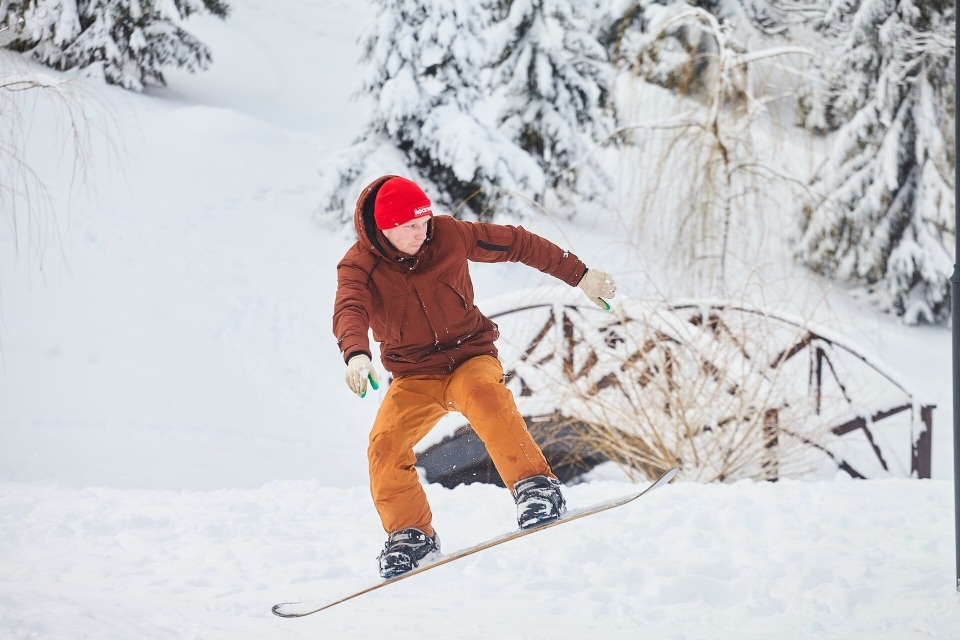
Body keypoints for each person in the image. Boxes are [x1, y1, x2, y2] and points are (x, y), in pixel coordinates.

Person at [333, 175, 617, 578]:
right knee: (385, 444)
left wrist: (580, 275)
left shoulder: (449, 235)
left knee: (486, 398)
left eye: (425, 221)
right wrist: (356, 354)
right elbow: (349, 309)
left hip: (470, 356)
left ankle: (536, 488)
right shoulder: (358, 266)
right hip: (414, 376)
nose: (422, 232)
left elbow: (518, 243)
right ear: (384, 229)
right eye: (411, 227)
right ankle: (411, 535)